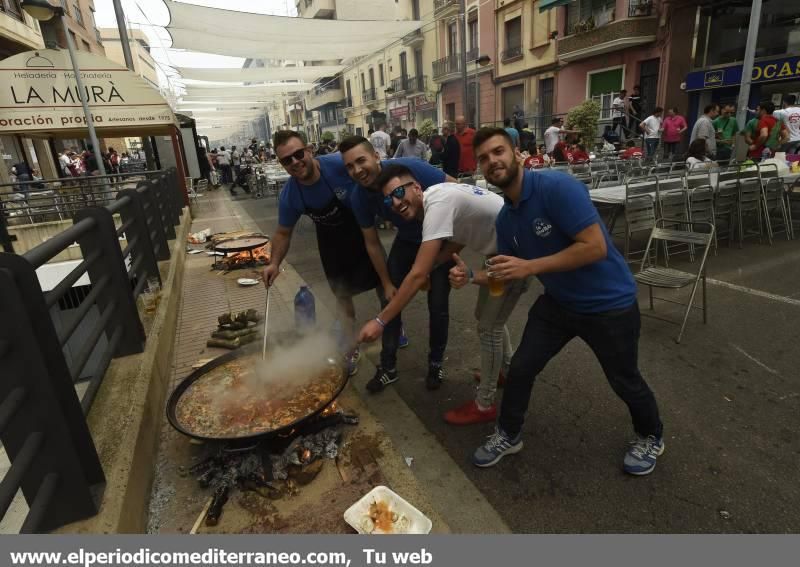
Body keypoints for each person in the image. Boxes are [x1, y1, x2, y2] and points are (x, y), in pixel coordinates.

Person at [459, 127, 664, 475]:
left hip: (608, 304)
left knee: (624, 379)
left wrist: (531, 266)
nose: (492, 161)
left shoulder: (556, 188)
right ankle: (509, 434)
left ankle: (651, 436)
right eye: (483, 158)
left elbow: (595, 247)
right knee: (522, 367)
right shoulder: (506, 218)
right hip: (559, 304)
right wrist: (470, 277)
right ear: (480, 168)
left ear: (517, 154)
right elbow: (509, 271)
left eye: (498, 152)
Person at [356, 163, 526, 425]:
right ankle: (503, 370)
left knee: (489, 327)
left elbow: (416, 274)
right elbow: (463, 232)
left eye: (399, 192)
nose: (396, 202)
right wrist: (435, 265)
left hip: (517, 253)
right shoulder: (437, 197)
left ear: (416, 187)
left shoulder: (437, 205)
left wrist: (380, 321)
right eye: (389, 198)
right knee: (485, 316)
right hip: (497, 253)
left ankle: (485, 404)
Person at [339, 136, 457, 392]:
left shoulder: (412, 168)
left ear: (376, 157)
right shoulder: (358, 197)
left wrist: (450, 248)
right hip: (406, 241)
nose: (357, 170)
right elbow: (372, 243)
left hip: (436, 240)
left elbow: (456, 191)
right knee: (389, 300)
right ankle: (388, 368)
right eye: (350, 167)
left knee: (437, 305)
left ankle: (436, 363)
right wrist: (386, 282)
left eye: (361, 161)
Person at [262, 130, 379, 375]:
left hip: (361, 229)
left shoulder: (338, 164)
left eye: (298, 154)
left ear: (309, 150)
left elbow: (377, 172)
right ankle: (350, 347)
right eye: (287, 160)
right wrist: (273, 263)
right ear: (281, 164)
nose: (295, 162)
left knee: (384, 283)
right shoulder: (290, 196)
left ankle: (391, 324)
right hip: (330, 240)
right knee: (342, 296)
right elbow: (283, 233)